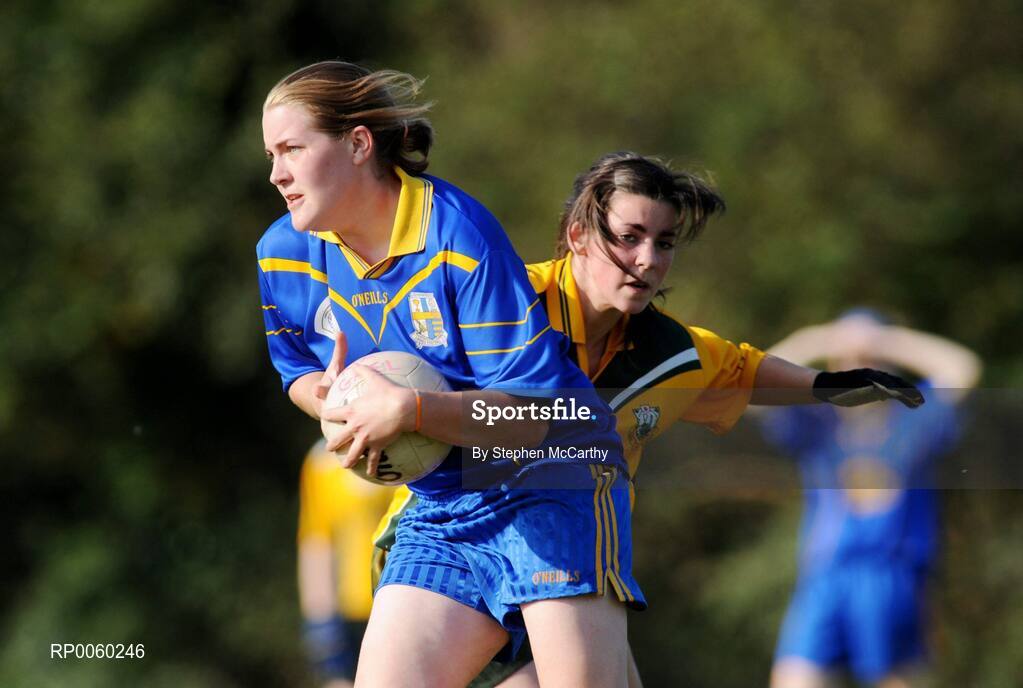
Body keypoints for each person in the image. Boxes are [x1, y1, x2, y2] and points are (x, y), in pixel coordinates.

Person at [371, 152, 926, 687]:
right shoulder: (501, 304)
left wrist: (831, 386)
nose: (648, 260)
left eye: (664, 243)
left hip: (569, 559)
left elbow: (742, 370)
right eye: (629, 237)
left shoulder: (669, 351)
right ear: (577, 234)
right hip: (453, 539)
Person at [257, 61, 642, 687]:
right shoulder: (283, 252)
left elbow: (538, 415)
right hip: (444, 504)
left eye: (292, 149)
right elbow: (297, 367)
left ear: (357, 144)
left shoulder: (457, 235)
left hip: (555, 476)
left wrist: (408, 412)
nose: (276, 174)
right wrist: (333, 404)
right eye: (271, 155)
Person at [762, 311, 981, 688]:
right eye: (848, 362)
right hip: (824, 576)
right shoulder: (818, 421)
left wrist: (884, 340)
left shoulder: (913, 418)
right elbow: (752, 387)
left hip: (892, 575)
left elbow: (964, 369)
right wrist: (820, 337)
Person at [297, 439, 395, 687]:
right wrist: (320, 620)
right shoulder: (320, 462)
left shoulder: (413, 447)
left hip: (399, 604)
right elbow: (316, 544)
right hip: (348, 610)